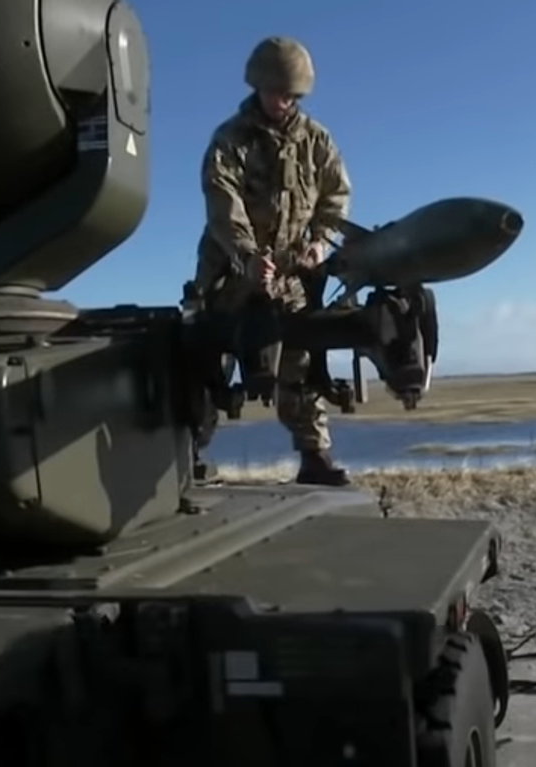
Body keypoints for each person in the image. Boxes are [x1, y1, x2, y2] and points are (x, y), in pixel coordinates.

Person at [195, 36, 354, 486]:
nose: (282, 102)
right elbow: (222, 204)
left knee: (300, 362)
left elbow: (336, 198)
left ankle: (314, 456)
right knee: (212, 361)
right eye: (275, 92)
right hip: (231, 272)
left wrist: (320, 243)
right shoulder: (230, 140)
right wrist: (246, 256)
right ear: (257, 86)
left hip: (292, 275)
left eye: (291, 95)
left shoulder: (317, 140)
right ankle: (189, 455)